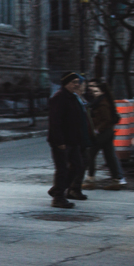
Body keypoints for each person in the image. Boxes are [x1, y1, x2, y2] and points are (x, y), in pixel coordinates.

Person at [47, 72, 85, 208]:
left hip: (73, 140)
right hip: (62, 141)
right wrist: (59, 141)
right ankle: (58, 197)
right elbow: (55, 122)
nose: (77, 84)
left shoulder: (73, 97)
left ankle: (57, 189)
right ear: (66, 83)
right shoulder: (59, 98)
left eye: (77, 82)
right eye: (74, 82)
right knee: (62, 169)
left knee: (78, 166)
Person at [82, 80, 127, 191]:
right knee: (110, 156)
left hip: (103, 133)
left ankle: (90, 180)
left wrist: (97, 130)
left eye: (96, 89)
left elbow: (107, 120)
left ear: (102, 91)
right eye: (92, 88)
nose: (93, 91)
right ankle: (117, 180)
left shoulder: (103, 102)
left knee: (90, 153)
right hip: (107, 132)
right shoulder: (99, 100)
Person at [68, 78, 95, 200]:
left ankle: (72, 189)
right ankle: (71, 189)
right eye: (83, 84)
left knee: (83, 163)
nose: (85, 87)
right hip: (76, 138)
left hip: (84, 136)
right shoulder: (72, 99)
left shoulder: (81, 99)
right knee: (79, 164)